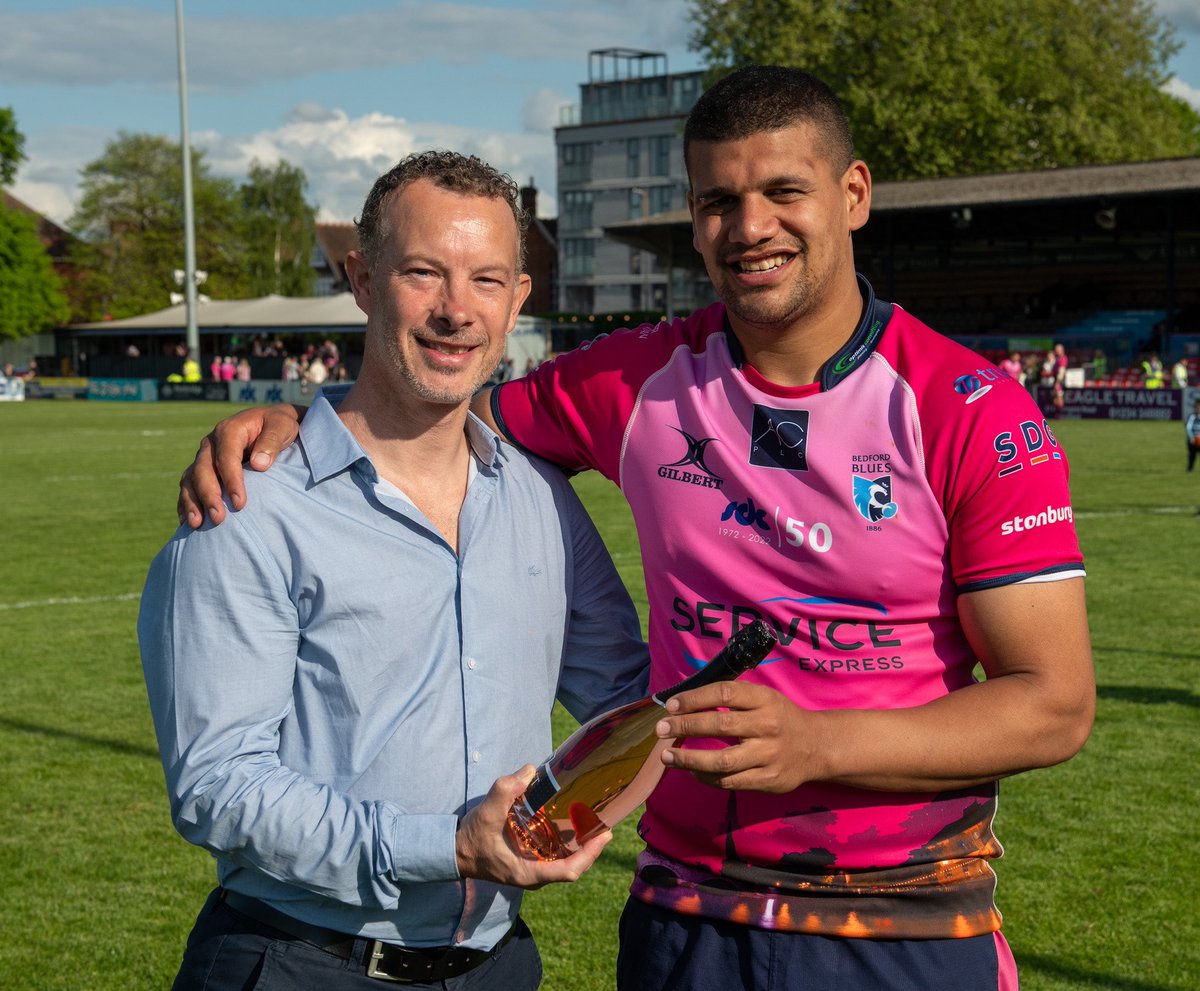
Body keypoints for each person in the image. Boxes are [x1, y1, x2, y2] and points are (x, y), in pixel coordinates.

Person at [178, 67, 1095, 991]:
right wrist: (300, 424)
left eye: (784, 191)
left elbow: (1055, 703)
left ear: (853, 194)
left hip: (905, 917)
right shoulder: (635, 382)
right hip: (686, 917)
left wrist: (821, 744)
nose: (751, 227)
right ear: (693, 216)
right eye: (719, 201)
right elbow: (434, 400)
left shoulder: (971, 410)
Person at [140, 150, 652, 991]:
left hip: (496, 965)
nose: (456, 309)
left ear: (518, 298)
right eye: (423, 272)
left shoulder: (543, 502)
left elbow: (633, 703)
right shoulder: (251, 504)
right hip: (301, 963)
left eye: (487, 280)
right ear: (363, 280)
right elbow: (217, 784)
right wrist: (446, 845)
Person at [1187, 398, 1200, 473]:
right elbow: (1188, 427)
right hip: (1194, 439)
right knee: (1192, 455)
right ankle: (1190, 469)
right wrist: (1192, 437)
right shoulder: (1192, 416)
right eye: (1197, 406)